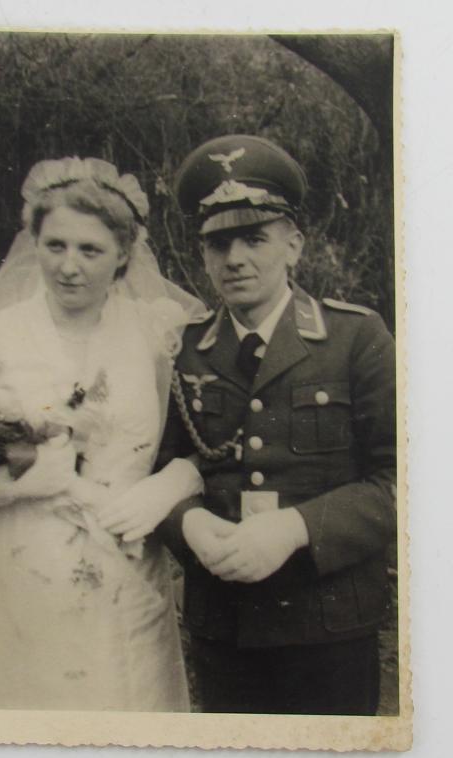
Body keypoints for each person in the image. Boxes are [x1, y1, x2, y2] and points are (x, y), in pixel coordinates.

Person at [0, 157, 205, 711]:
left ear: (124, 253)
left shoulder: (159, 331)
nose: (69, 266)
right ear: (33, 241)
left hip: (127, 564)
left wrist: (175, 479)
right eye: (55, 246)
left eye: (90, 250)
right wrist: (12, 478)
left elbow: (202, 433)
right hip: (16, 571)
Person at [157, 135, 397, 715]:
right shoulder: (182, 349)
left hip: (330, 626)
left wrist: (294, 528)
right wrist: (188, 527)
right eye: (218, 242)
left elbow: (401, 481)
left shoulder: (355, 339)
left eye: (254, 238)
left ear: (293, 245)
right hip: (224, 627)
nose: (235, 258)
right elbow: (158, 469)